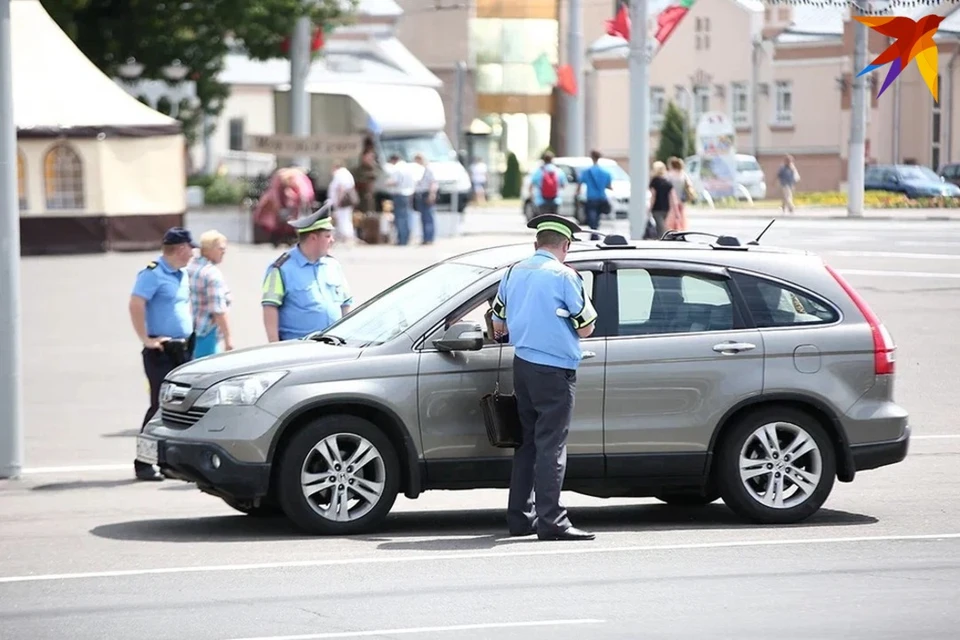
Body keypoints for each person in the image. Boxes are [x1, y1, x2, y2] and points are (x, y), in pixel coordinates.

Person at [491, 213, 598, 542]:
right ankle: (552, 521)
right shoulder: (565, 276)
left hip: (522, 365)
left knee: (527, 445)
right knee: (552, 445)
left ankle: (521, 518)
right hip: (554, 371)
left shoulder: (513, 272)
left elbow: (499, 323)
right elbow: (587, 326)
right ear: (565, 245)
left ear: (536, 243)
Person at [128, 227, 197, 481]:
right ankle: (143, 463)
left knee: (184, 406)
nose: (193, 253)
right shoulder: (153, 273)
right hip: (161, 350)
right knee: (159, 406)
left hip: (183, 348)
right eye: (191, 248)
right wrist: (146, 339)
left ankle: (169, 461)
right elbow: (136, 304)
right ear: (180, 249)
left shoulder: (182, 274)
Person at [261, 207, 354, 342]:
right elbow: (270, 307)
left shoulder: (333, 265)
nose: (332, 240)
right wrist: (273, 345)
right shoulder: (280, 268)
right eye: (327, 236)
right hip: (299, 348)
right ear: (313, 238)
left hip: (334, 346)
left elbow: (346, 303)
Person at [186, 230, 233, 358]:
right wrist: (229, 340)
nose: (224, 251)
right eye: (220, 248)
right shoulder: (211, 274)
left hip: (190, 329)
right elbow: (218, 310)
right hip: (207, 332)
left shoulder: (189, 266)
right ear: (207, 250)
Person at [579, 150, 613, 240]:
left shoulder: (586, 172)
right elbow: (609, 186)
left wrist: (577, 194)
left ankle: (594, 231)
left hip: (591, 197)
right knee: (597, 216)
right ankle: (595, 230)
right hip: (602, 197)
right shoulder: (606, 172)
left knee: (591, 215)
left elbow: (580, 183)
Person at [385, 154, 417, 245]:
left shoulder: (397, 169)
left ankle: (401, 239)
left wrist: (386, 183)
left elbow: (395, 181)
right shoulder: (409, 168)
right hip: (408, 194)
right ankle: (406, 238)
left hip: (399, 194)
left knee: (400, 217)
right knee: (407, 217)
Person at [329, 160, 358, 245]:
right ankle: (346, 236)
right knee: (346, 217)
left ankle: (347, 236)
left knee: (343, 218)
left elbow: (341, 188)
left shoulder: (340, 174)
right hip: (346, 201)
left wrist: (339, 200)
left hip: (343, 201)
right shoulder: (346, 173)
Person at [648, 160, 680, 239]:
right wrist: (676, 211)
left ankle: (663, 239)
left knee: (660, 226)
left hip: (656, 208)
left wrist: (649, 208)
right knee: (662, 225)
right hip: (666, 208)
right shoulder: (668, 182)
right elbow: (673, 198)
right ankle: (663, 238)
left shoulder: (654, 181)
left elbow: (653, 196)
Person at [413, 153, 439, 245]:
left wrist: (431, 195)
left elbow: (433, 183)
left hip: (426, 194)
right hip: (422, 194)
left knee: (428, 217)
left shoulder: (429, 170)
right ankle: (426, 237)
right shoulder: (423, 170)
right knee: (424, 217)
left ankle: (429, 238)